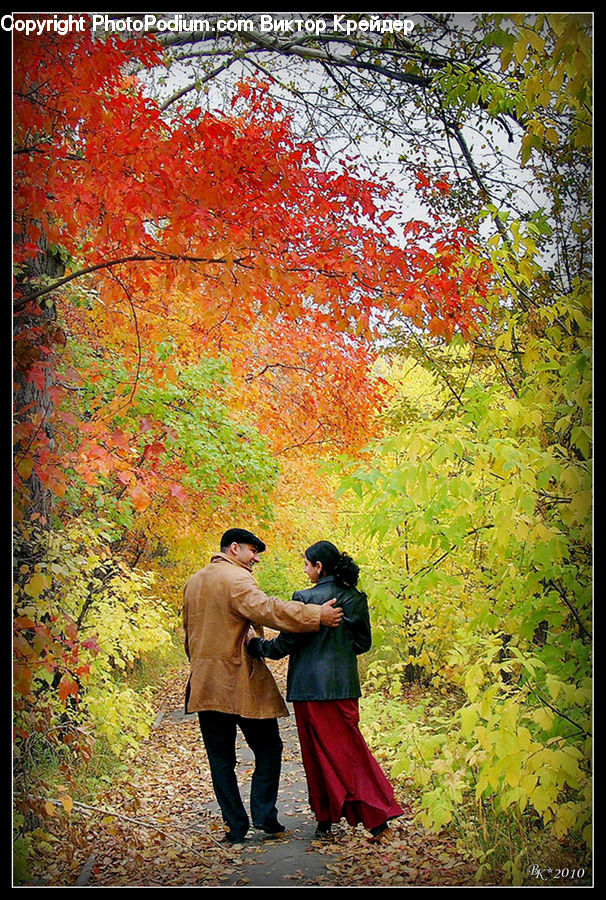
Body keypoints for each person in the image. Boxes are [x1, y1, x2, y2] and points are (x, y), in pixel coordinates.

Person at [183, 528, 344, 844]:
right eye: (252, 550)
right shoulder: (236, 580)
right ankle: (264, 817)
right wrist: (316, 615)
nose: (255, 557)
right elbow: (270, 610)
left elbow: (188, 635)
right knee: (269, 748)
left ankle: (236, 826)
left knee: (221, 760)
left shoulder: (194, 581)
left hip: (205, 683)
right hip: (238, 682)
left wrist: (200, 667)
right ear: (233, 548)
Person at [247, 540, 404, 843]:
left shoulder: (304, 599)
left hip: (308, 690)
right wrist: (340, 650)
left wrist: (255, 645)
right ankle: (367, 816)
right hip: (343, 687)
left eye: (306, 564)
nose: (305, 570)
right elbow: (363, 644)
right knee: (350, 750)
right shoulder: (355, 598)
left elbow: (283, 646)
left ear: (319, 567)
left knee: (318, 757)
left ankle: (336, 820)